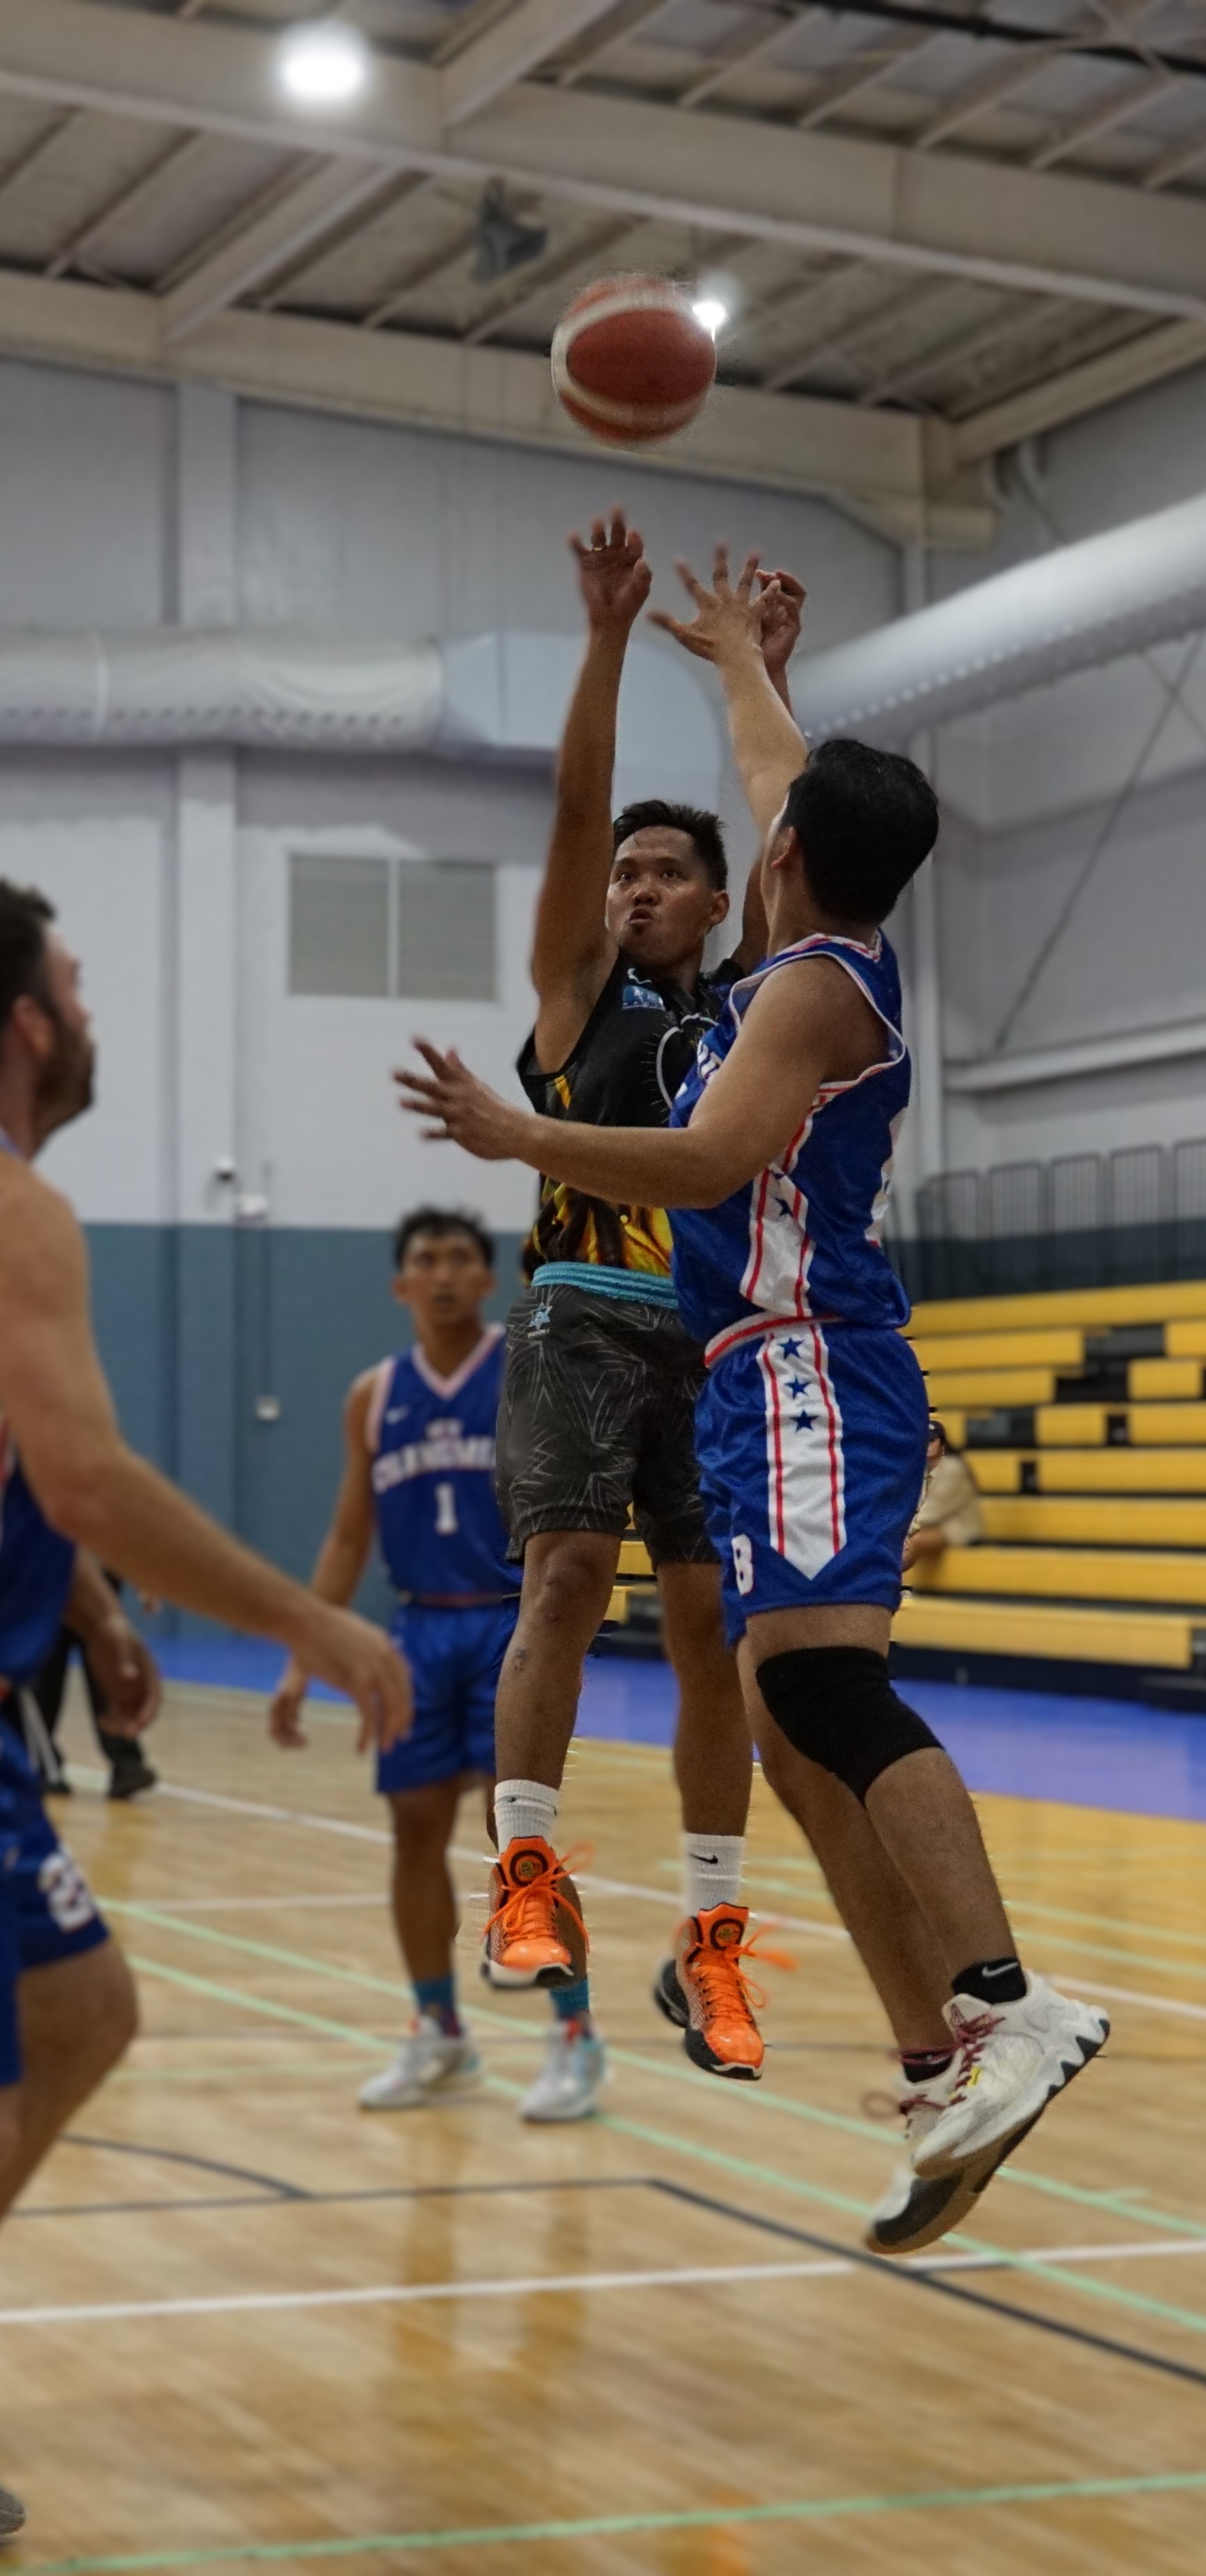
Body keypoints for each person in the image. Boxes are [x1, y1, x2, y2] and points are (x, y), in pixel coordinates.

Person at [398, 543, 1108, 2241]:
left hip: (800, 1360)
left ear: (775, 870)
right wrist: (743, 661)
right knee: (798, 1731)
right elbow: (785, 780)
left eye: (760, 826)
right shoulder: (823, 943)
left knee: (826, 1701)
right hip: (765, 1378)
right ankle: (941, 2061)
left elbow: (713, 1161)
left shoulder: (796, 991)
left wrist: (522, 1136)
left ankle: (1006, 2006)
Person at [0, 881, 410, 2540]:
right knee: (64, 2031)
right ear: (26, 1021)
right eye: (79, 985)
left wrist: (90, 1617)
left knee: (81, 2013)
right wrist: (319, 1619)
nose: (91, 1013)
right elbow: (85, 1474)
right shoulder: (20, 1209)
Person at [458, 511, 804, 2089]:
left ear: (714, 901)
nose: (640, 886)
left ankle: (711, 1948)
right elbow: (576, 804)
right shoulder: (575, 994)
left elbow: (802, 849)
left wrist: (765, 674)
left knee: (711, 1627)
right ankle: (526, 1874)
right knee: (570, 1570)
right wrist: (602, 640)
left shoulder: (747, 1006)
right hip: (583, 1307)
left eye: (670, 872)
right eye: (628, 875)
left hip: (712, 1333)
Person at [269, 1207, 594, 2119]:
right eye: (425, 1261)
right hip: (416, 1634)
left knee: (515, 1835)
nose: (443, 1274)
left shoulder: (522, 1372)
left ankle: (573, 2033)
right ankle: (437, 2031)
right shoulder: (372, 1394)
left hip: (507, 1625)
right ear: (399, 1284)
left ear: (486, 1278)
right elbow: (345, 1533)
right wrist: (306, 1653)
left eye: (459, 1257)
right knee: (414, 1829)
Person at [9, 1567, 158, 1802]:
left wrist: (143, 1578)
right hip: (52, 1582)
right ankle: (43, 1763)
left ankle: (126, 1762)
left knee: (108, 1670)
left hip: (94, 1575)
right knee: (45, 1679)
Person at [902, 1418, 985, 1570]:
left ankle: (888, 1577)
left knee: (918, 1539)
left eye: (932, 1440)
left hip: (962, 1527)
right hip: (937, 1525)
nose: (927, 1444)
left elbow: (928, 1513)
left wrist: (908, 1533)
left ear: (943, 1446)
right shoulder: (921, 1470)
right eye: (925, 1440)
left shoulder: (951, 1469)